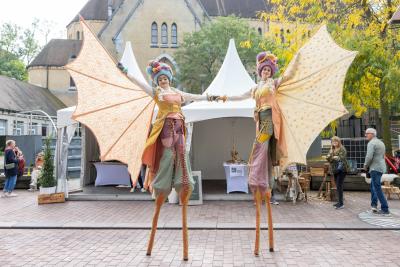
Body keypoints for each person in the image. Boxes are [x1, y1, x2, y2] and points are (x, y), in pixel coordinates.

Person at [124, 60, 222, 260]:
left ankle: (183, 183)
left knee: (182, 156)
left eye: (165, 78)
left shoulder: (177, 92)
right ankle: (161, 187)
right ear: (157, 81)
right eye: (159, 78)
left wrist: (211, 97)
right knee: (168, 156)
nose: (162, 80)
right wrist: (127, 73)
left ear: (169, 79)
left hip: (180, 128)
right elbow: (139, 84)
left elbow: (196, 96)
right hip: (166, 129)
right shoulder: (156, 92)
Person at [226, 51, 298, 255]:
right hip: (260, 122)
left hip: (269, 121)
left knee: (259, 148)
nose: (266, 72)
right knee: (260, 151)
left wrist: (296, 61)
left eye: (268, 69)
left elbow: (288, 76)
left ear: (271, 71)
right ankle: (262, 180)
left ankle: (257, 178)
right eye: (263, 69)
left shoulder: (273, 84)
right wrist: (223, 98)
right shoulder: (256, 87)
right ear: (259, 71)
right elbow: (239, 96)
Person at [364, 128, 390, 215]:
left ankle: (385, 208)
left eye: (367, 133)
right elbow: (382, 156)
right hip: (381, 167)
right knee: (373, 186)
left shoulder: (371, 143)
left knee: (377, 188)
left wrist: (365, 166)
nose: (365, 135)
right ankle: (374, 205)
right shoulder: (381, 142)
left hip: (375, 168)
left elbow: (369, 157)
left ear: (372, 134)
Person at [326, 136, 349, 209]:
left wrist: (332, 157)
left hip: (342, 169)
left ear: (339, 142)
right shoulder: (332, 149)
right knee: (338, 186)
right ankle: (339, 202)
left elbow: (341, 158)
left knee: (339, 185)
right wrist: (332, 157)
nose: (334, 143)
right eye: (333, 142)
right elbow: (328, 158)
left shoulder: (342, 148)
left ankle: (341, 204)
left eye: (336, 141)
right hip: (335, 169)